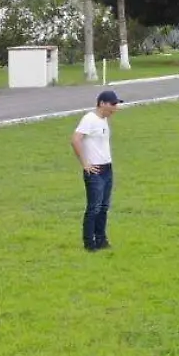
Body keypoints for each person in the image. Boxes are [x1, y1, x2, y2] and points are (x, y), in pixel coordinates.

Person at [72, 90, 119, 251]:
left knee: (104, 206)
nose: (115, 108)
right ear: (102, 103)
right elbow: (76, 139)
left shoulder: (104, 120)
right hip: (95, 170)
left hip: (107, 168)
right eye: (113, 104)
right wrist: (85, 163)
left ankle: (101, 239)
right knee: (94, 207)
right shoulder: (89, 119)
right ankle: (89, 242)